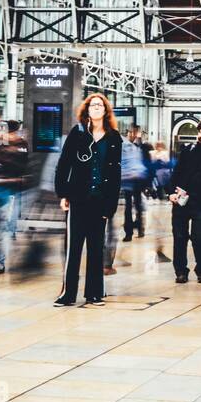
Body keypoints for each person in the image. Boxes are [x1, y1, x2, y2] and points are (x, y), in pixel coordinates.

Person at [54, 94, 122, 307]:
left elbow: (116, 174)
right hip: (78, 198)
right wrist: (63, 193)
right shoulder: (78, 134)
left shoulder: (114, 138)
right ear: (87, 110)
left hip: (100, 200)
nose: (96, 108)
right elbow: (64, 164)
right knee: (74, 248)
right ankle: (68, 294)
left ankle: (94, 293)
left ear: (105, 111)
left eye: (100, 105)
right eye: (92, 105)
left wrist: (110, 206)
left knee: (96, 248)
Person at [168, 119, 201, 284]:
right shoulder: (188, 149)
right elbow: (177, 172)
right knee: (179, 236)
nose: (200, 136)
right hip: (181, 199)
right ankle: (180, 271)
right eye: (200, 132)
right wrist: (171, 192)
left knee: (199, 237)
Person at [0, 120, 29, 275]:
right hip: (8, 190)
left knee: (6, 225)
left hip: (8, 190)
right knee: (6, 224)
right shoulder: (18, 144)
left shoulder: (10, 144)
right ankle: (1, 259)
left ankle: (1, 262)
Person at [120, 126, 149, 240]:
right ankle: (130, 231)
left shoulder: (140, 146)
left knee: (136, 205)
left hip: (136, 179)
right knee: (130, 206)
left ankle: (138, 229)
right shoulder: (125, 146)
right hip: (129, 179)